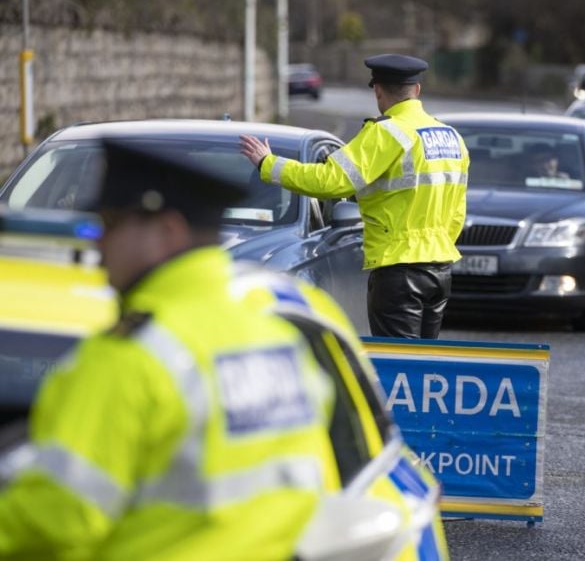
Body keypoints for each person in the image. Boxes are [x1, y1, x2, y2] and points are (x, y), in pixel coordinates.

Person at [0, 139, 340, 560]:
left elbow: (56, 520)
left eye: (109, 224)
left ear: (167, 232)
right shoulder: (281, 336)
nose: (97, 245)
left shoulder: (131, 361)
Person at [240, 54, 470, 339]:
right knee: (424, 367)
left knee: (398, 367)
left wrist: (269, 164)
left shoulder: (386, 133)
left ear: (378, 90)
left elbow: (332, 181)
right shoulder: (451, 137)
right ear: (417, 90)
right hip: (440, 269)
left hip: (398, 270)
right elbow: (458, 209)